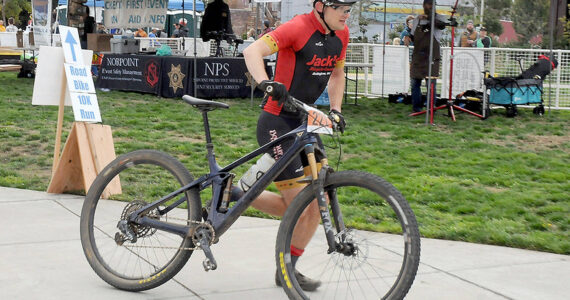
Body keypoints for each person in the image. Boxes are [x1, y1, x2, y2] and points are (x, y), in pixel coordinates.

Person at [243, 0, 354, 291]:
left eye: (350, 7)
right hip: (276, 123)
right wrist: (265, 83)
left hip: (305, 123)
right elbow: (251, 50)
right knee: (300, 206)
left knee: (320, 203)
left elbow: (337, 74)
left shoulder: (341, 34)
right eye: (341, 7)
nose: (347, 12)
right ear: (320, 6)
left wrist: (336, 109)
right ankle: (236, 192)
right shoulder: (298, 27)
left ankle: (287, 269)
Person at [405, 0, 453, 112]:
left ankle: (431, 108)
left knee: (431, 84)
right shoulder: (417, 19)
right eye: (426, 4)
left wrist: (429, 18)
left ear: (434, 6)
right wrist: (407, 37)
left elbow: (441, 26)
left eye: (431, 4)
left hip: (432, 55)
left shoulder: (440, 18)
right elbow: (413, 36)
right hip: (418, 55)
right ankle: (416, 108)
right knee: (414, 83)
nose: (428, 6)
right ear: (423, 5)